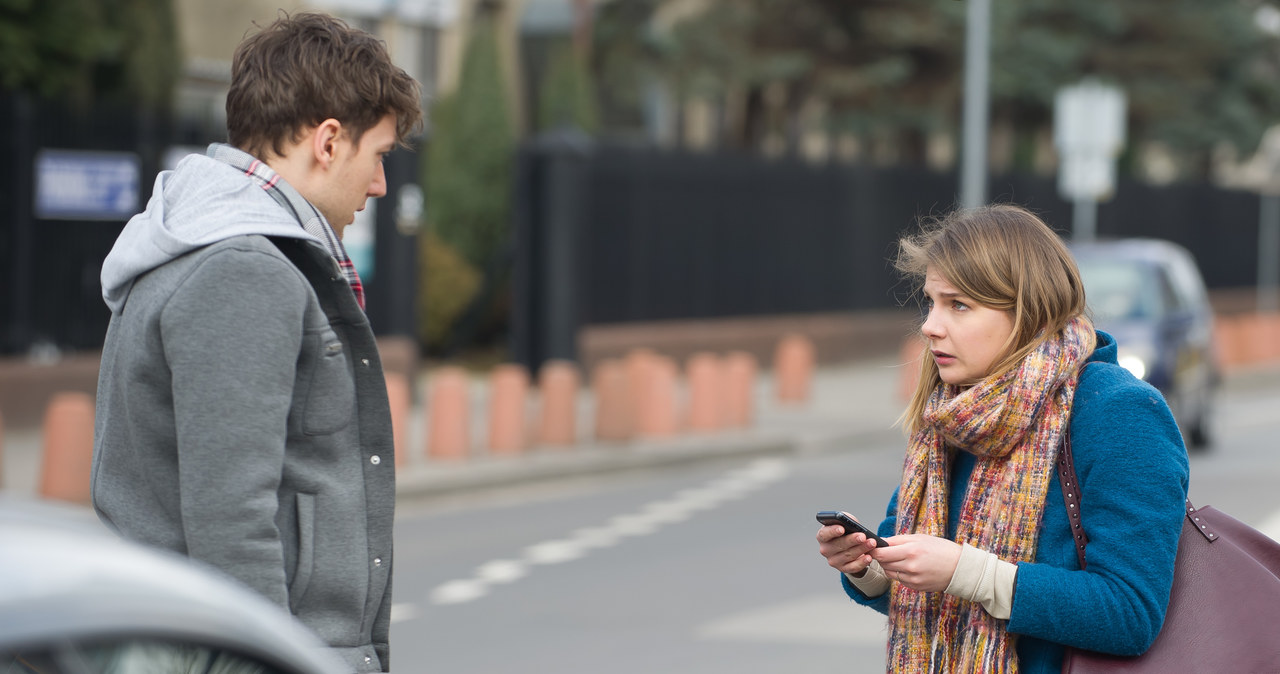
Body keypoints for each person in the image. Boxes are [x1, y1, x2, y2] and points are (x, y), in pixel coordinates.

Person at [92, 13, 421, 673]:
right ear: (328, 141)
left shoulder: (208, 247)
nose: (381, 185)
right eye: (378, 155)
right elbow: (232, 516)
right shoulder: (242, 271)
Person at [816, 204, 1189, 673]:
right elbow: (932, 593)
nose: (931, 324)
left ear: (1029, 312)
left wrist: (966, 572)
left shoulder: (1119, 412)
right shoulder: (956, 413)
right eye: (931, 301)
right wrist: (868, 567)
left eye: (959, 305)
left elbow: (1130, 612)